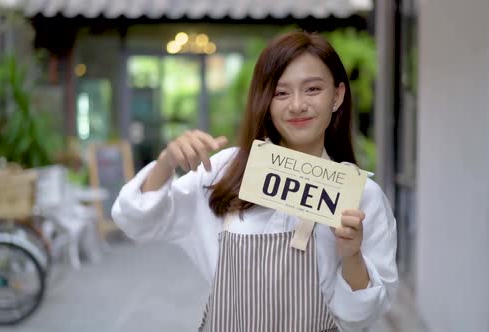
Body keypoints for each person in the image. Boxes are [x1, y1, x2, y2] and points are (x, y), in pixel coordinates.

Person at [112, 31, 398, 332]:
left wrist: (351, 256)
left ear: (337, 96)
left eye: (312, 89)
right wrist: (167, 162)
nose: (297, 105)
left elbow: (364, 316)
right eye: (281, 92)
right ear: (265, 100)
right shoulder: (225, 170)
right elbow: (137, 223)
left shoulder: (361, 196)